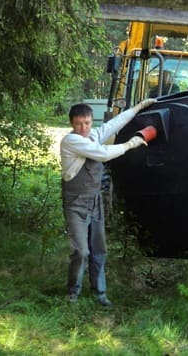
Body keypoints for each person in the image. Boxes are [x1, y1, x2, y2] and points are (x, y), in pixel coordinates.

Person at [60, 98, 157, 306]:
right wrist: (132, 143)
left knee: (99, 249)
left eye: (87, 123)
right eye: (78, 124)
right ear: (72, 124)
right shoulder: (71, 141)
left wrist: (138, 107)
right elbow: (104, 154)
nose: (83, 128)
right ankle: (73, 293)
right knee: (81, 251)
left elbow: (113, 124)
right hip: (76, 204)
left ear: (90, 121)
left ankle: (100, 293)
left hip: (94, 203)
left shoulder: (93, 135)